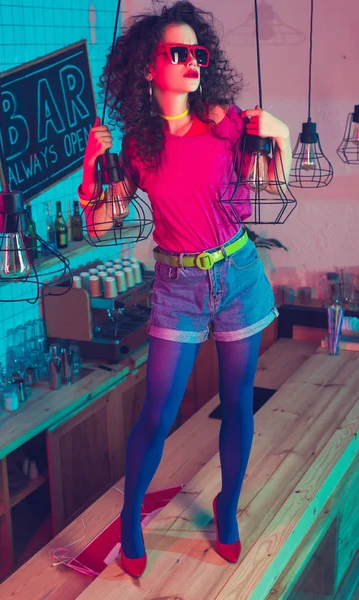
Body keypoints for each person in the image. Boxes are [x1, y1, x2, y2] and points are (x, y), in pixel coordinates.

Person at [78, 0, 292, 579]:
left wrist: (283, 137)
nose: (192, 61)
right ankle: (129, 516)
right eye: (178, 52)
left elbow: (272, 181)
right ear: (149, 68)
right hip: (177, 284)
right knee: (159, 409)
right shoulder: (139, 147)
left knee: (239, 401)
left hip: (237, 273)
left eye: (197, 52)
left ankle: (227, 508)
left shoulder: (226, 121)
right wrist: (93, 166)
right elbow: (100, 227)